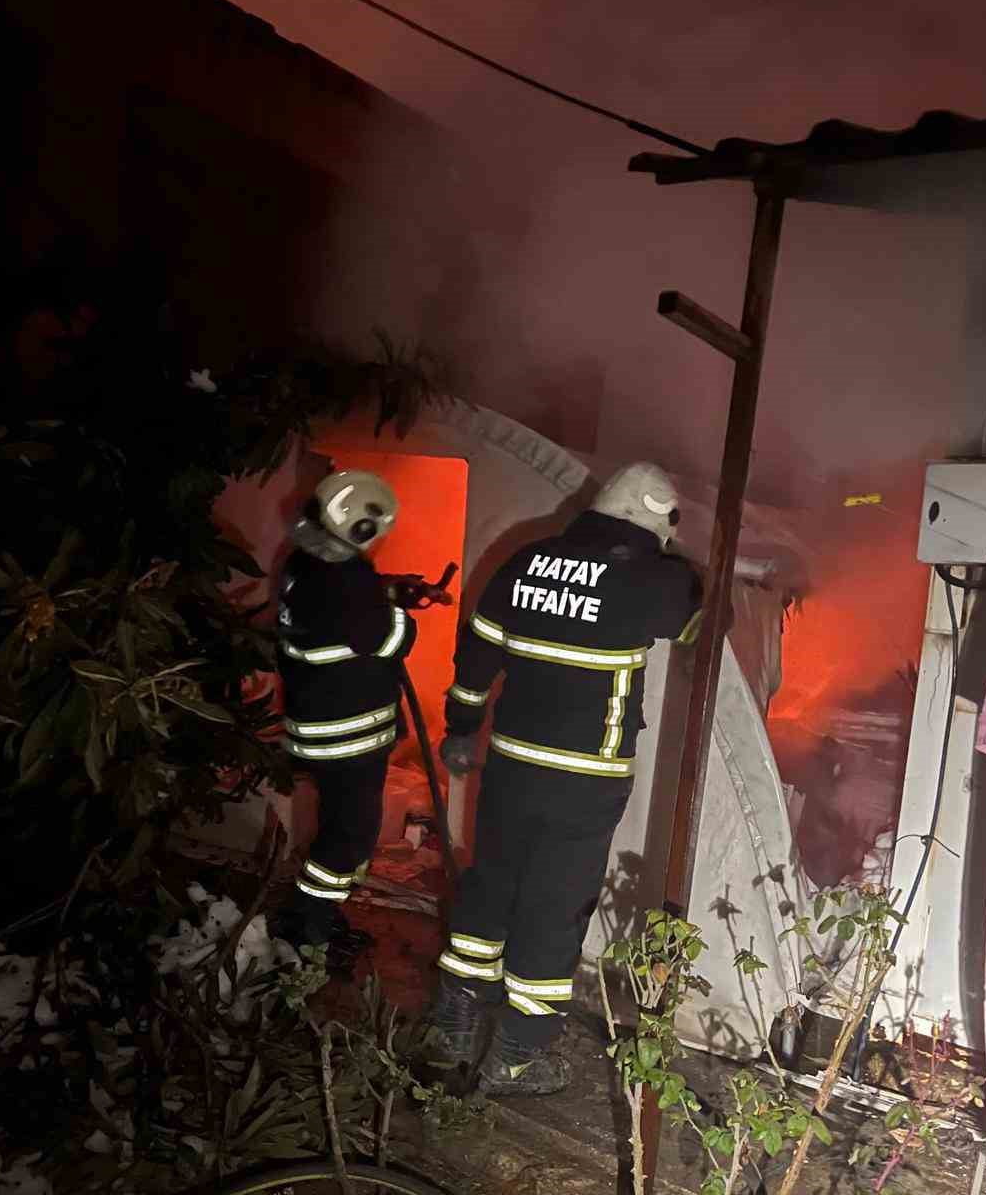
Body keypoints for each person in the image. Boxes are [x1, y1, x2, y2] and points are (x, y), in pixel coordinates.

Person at [431, 463, 702, 1094]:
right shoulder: (651, 578)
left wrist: (461, 727)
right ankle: (518, 1055)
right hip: (585, 777)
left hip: (512, 764)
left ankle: (454, 1023)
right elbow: (694, 613)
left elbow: (477, 656)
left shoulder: (526, 560)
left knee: (491, 881)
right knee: (554, 904)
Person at [272, 467, 415, 961]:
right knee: (349, 838)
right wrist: (401, 612)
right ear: (361, 527)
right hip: (347, 735)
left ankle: (315, 915)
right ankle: (308, 928)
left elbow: (339, 619)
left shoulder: (301, 562)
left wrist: (383, 593)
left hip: (313, 724)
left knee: (337, 825)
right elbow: (389, 641)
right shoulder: (349, 576)